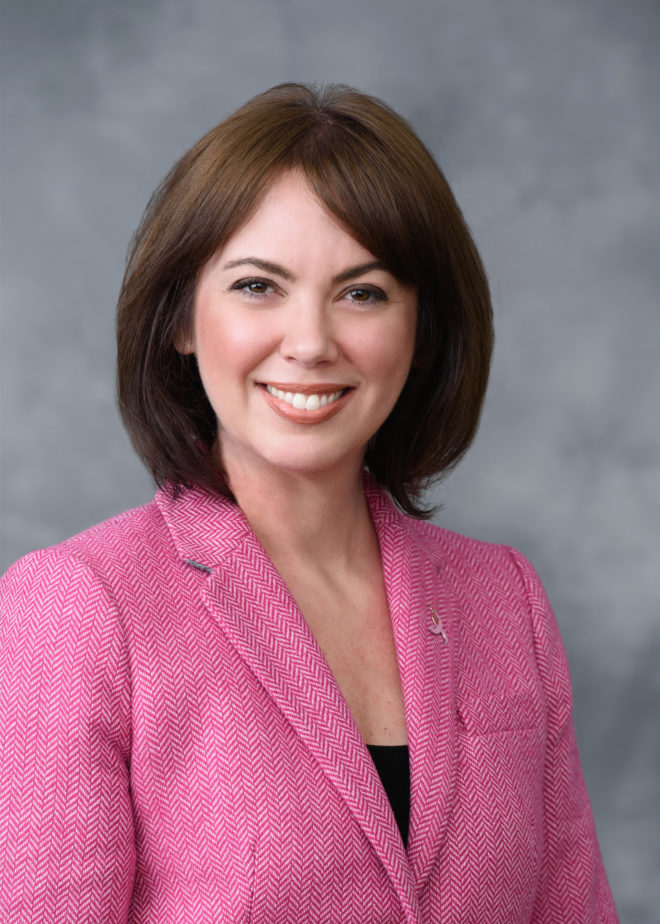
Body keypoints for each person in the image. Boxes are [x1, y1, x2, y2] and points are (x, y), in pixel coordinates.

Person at [0, 83, 617, 923]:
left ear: (421, 328)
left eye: (362, 292)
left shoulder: (506, 601)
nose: (311, 342)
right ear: (181, 318)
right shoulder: (77, 607)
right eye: (258, 286)